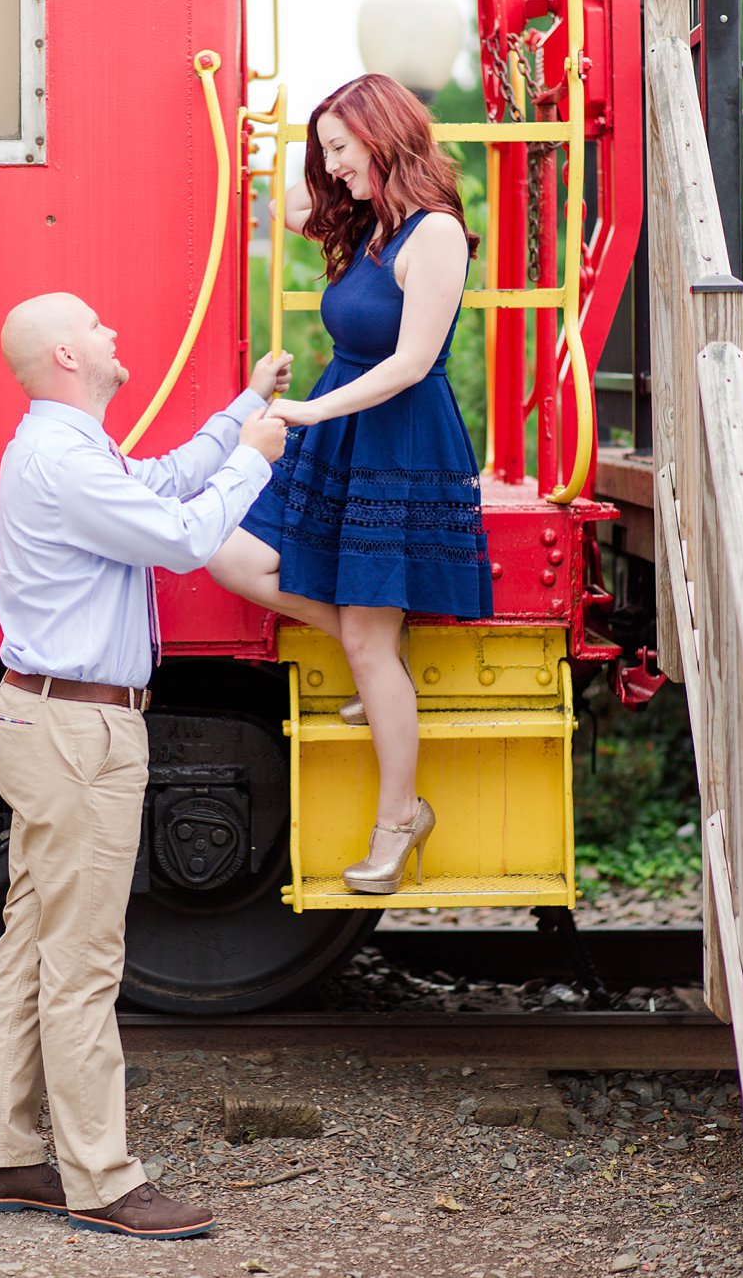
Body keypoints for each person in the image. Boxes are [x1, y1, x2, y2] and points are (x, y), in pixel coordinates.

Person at [0, 291, 288, 1242]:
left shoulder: (72, 450)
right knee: (83, 957)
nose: (114, 332)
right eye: (100, 325)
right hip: (77, 733)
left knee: (33, 939)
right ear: (68, 354)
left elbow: (159, 482)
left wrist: (236, 414)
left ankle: (0, 1153)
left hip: (59, 719)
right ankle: (102, 1178)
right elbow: (183, 534)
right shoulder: (63, 460)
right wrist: (254, 464)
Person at [207, 73, 493, 896]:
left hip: (398, 439)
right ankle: (379, 663)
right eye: (326, 152)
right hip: (342, 430)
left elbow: (409, 364)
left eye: (342, 148)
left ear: (385, 137)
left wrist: (307, 408)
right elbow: (285, 206)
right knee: (230, 552)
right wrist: (274, 141)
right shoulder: (367, 221)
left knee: (370, 642)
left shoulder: (434, 233)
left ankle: (401, 817)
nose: (330, 168)